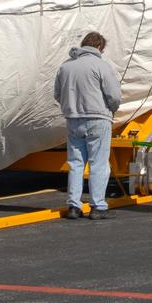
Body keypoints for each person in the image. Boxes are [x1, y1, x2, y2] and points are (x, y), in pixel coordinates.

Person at [53, 31, 122, 220]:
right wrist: (112, 108)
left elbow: (57, 95)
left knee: (75, 163)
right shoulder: (101, 66)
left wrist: (71, 108)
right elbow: (114, 95)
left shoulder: (65, 67)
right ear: (99, 47)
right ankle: (97, 206)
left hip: (73, 119)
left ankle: (74, 206)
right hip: (98, 118)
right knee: (98, 163)